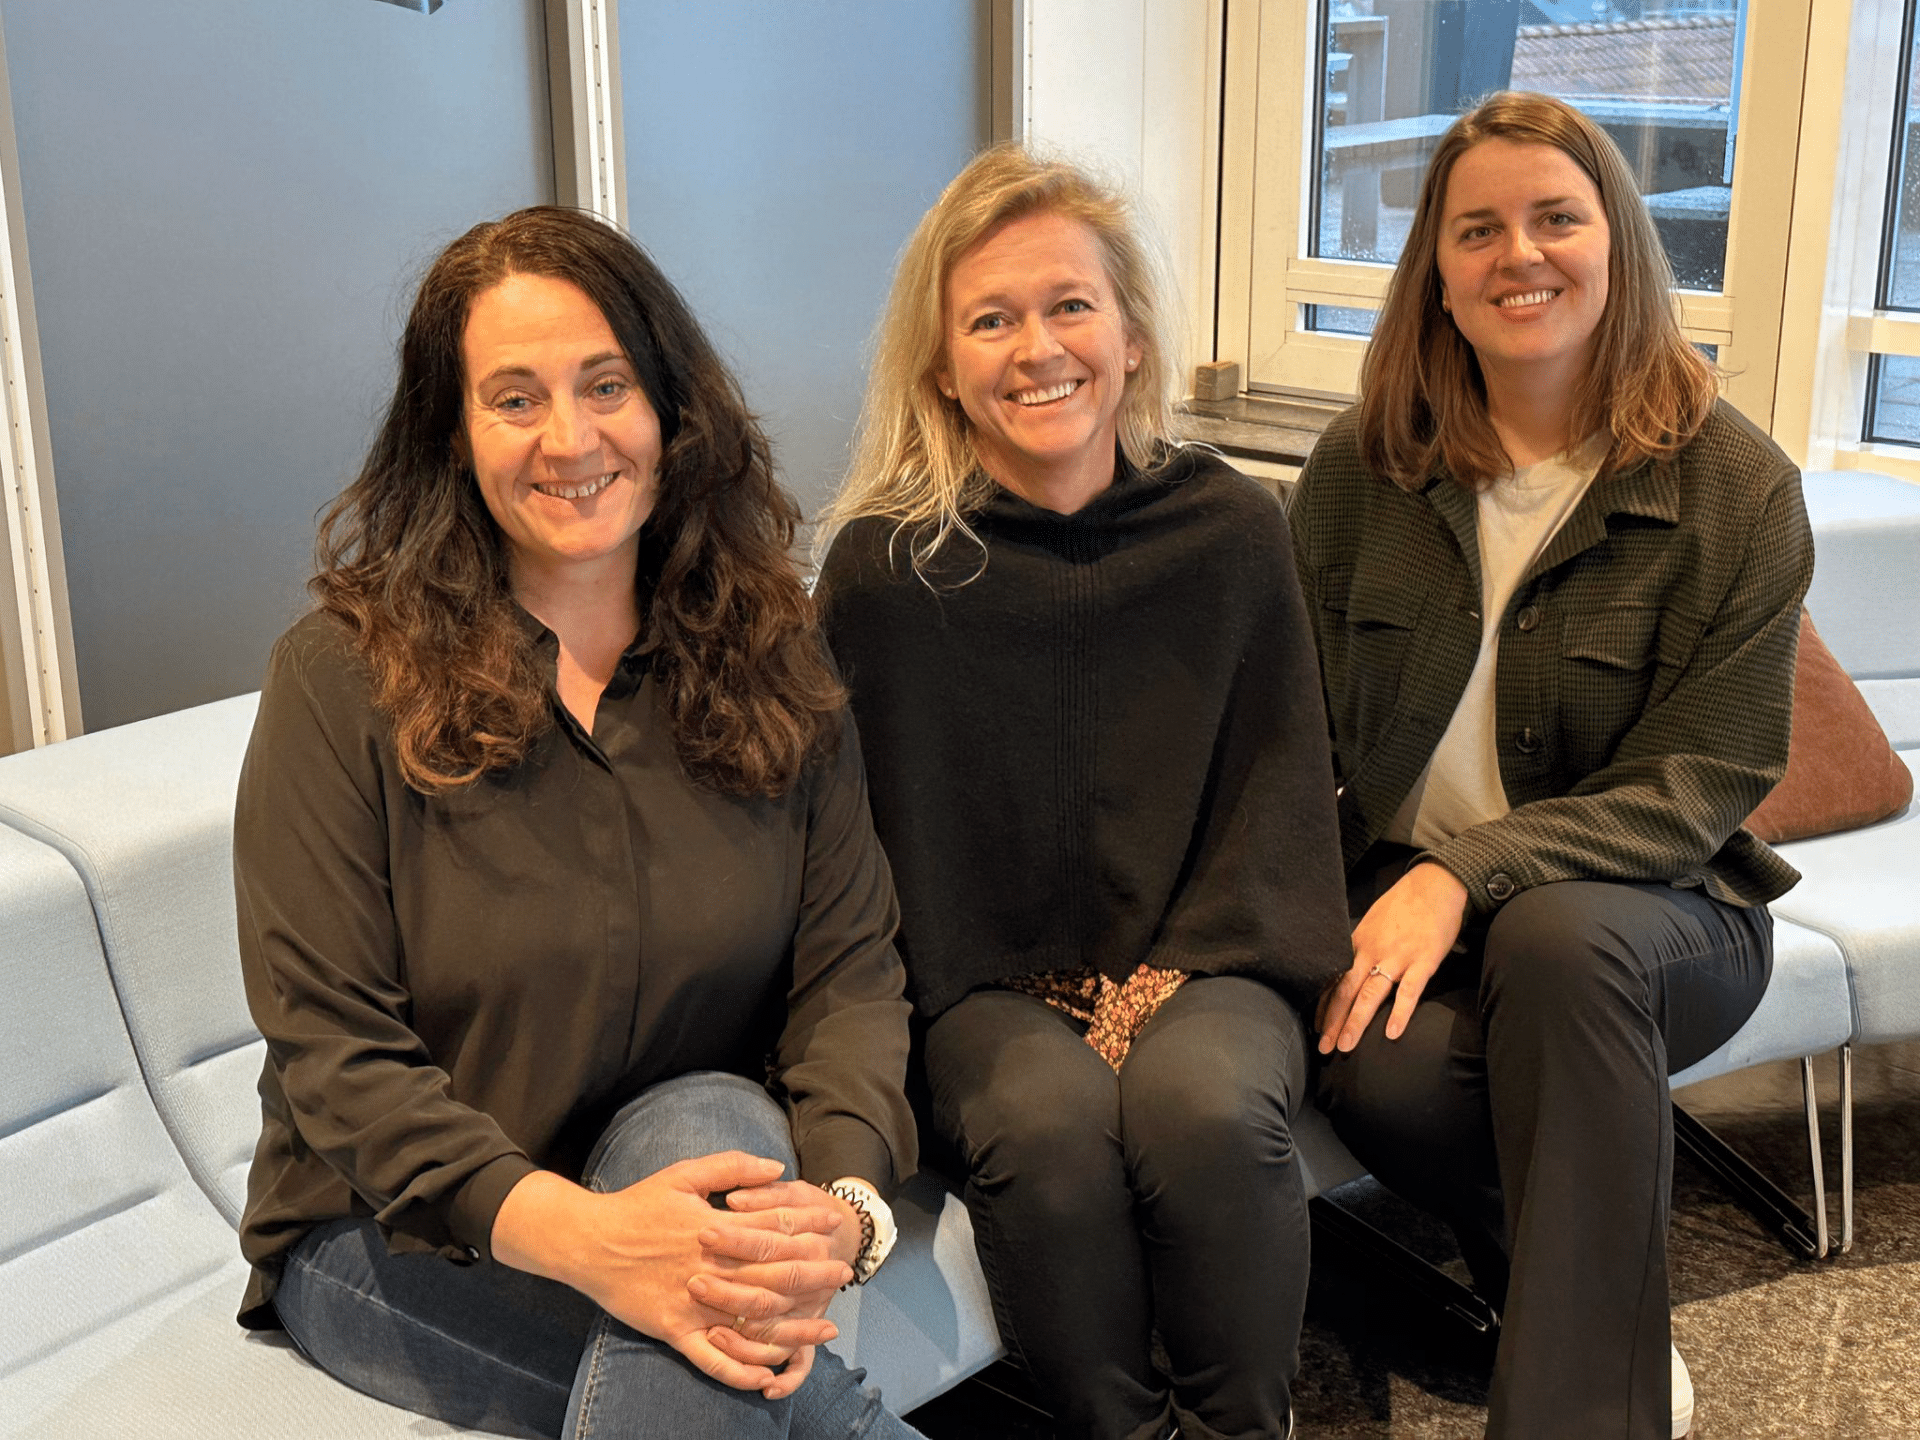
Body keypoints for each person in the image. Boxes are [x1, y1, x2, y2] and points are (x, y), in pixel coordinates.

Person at [233, 205, 924, 1440]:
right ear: (452, 435)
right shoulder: (340, 679)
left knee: (718, 1120)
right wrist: (595, 1244)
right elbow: (336, 1056)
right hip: (410, 1235)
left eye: (606, 385)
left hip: (684, 1160)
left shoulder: (771, 656)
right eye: (513, 398)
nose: (571, 438)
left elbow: (850, 973)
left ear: (670, 408)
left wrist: (848, 1201)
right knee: (772, 1395)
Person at [1292, 93, 1811, 1440]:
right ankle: (1601, 1313)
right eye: (1479, 229)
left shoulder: (1733, 488)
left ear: (1619, 246)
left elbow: (1707, 780)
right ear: (1441, 277)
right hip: (1410, 907)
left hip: (1661, 916)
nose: (1520, 253)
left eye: (1556, 218)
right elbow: (1287, 722)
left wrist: (1472, 874)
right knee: (1391, 1084)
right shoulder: (1364, 470)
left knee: (1562, 942)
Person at [815, 146, 1350, 1440]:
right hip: (979, 985)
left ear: (1129, 335)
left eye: (1069, 305)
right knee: (1047, 1133)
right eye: (990, 318)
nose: (1036, 346)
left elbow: (1277, 788)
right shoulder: (890, 573)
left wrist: (1171, 972)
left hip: (1211, 959)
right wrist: (1017, 980)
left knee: (1206, 1109)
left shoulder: (1232, 532)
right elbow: (867, 849)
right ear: (942, 365)